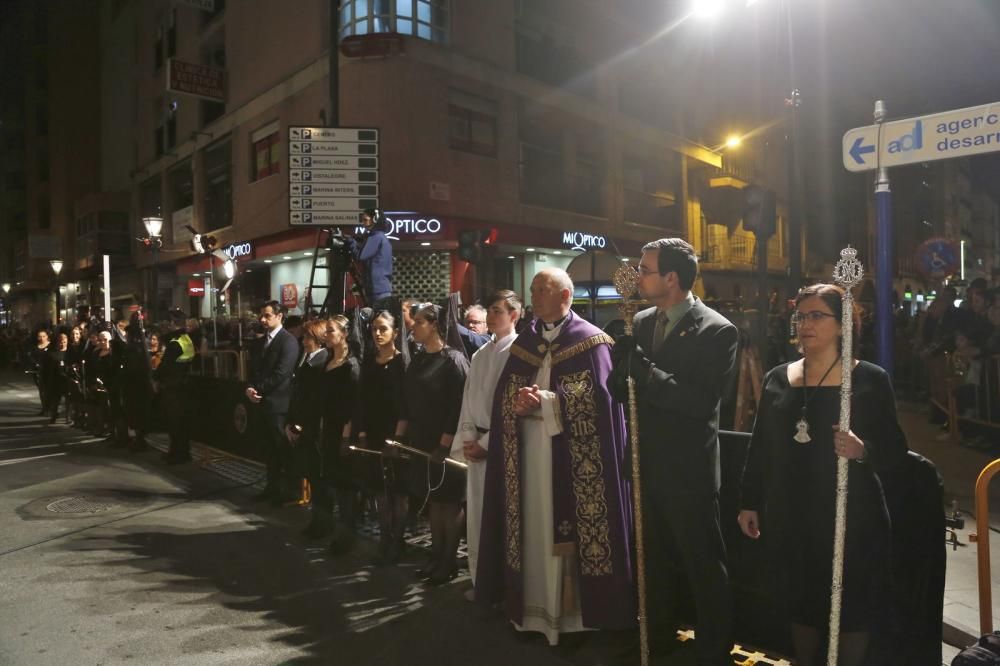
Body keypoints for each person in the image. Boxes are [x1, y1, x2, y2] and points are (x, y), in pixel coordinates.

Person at [738, 284, 907, 666]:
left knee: (852, 603)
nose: (805, 324)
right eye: (801, 316)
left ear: (843, 325)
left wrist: (863, 450)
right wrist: (749, 501)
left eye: (817, 316)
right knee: (803, 599)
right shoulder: (779, 378)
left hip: (852, 514)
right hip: (793, 514)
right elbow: (761, 445)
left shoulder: (868, 379)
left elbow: (895, 449)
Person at [477, 268, 636, 647]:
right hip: (528, 458)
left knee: (564, 532)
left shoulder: (592, 342)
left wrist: (548, 402)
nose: (536, 295)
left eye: (543, 289)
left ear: (565, 295)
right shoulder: (525, 343)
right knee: (530, 530)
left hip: (570, 461)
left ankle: (573, 621)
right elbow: (505, 397)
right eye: (533, 289)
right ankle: (530, 611)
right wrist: (516, 404)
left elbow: (602, 402)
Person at [607, 238, 738, 665]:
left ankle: (713, 648)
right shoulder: (641, 321)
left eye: (646, 270)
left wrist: (643, 371)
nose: (639, 277)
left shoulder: (717, 330)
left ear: (671, 278)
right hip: (645, 463)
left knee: (702, 564)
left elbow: (699, 401)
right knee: (652, 560)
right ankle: (657, 637)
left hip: (688, 470)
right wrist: (618, 370)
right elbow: (624, 393)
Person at [453, 290, 520, 595]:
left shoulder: (519, 352)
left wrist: (488, 443)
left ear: (514, 315)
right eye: (490, 311)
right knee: (478, 516)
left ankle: (505, 585)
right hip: (476, 441)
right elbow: (468, 400)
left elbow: (511, 406)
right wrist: (468, 439)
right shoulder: (480, 355)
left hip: (503, 444)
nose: (492, 317)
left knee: (503, 517)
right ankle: (481, 581)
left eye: (498, 311)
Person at [397, 303, 469, 584]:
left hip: (447, 444)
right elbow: (407, 401)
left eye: (418, 322)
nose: (412, 327)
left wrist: (445, 444)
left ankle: (448, 561)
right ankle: (436, 555)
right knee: (434, 503)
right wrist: (402, 436)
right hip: (422, 441)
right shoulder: (419, 359)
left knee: (449, 502)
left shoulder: (453, 360)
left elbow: (458, 406)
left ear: (435, 324)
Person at [356, 309, 409, 564]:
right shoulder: (369, 361)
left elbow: (405, 406)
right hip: (374, 432)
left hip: (397, 433)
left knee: (398, 492)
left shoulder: (402, 363)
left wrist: (398, 439)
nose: (377, 333)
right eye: (375, 329)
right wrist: (363, 432)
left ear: (395, 332)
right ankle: (385, 538)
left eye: (383, 329)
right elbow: (362, 400)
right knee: (379, 491)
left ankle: (397, 540)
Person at [246, 301, 300, 502]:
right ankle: (272, 486)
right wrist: (250, 388)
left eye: (267, 315)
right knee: (269, 449)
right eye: (262, 315)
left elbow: (281, 373)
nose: (262, 319)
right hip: (262, 403)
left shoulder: (288, 341)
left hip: (279, 405)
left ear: (279, 316)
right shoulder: (260, 342)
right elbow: (253, 370)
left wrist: (257, 389)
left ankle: (290, 491)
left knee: (283, 450)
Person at [317, 315, 362, 553]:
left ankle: (347, 535)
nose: (326, 335)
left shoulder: (351, 365)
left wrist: (346, 436)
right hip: (330, 427)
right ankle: (338, 531)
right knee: (334, 481)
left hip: (344, 430)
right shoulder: (328, 361)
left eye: (331, 331)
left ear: (344, 334)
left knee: (346, 487)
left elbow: (353, 405)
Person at [285, 319, 331, 537]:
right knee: (312, 477)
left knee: (320, 480)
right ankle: (317, 522)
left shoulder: (321, 362)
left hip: (313, 429)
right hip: (302, 426)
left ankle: (323, 524)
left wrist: (301, 426)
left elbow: (315, 401)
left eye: (307, 337)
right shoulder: (308, 360)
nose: (303, 341)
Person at [154, 312, 198, 463]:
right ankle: (182, 452)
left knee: (174, 423)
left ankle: (177, 454)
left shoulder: (175, 343)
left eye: (169, 323)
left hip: (173, 387)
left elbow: (165, 366)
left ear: (173, 323)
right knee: (181, 422)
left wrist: (155, 376)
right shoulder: (186, 339)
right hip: (184, 385)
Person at [119, 313, 154, 451]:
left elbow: (131, 369)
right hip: (139, 385)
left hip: (134, 386)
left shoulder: (133, 349)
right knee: (139, 412)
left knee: (136, 412)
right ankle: (139, 437)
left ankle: (139, 439)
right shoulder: (140, 347)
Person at [347, 208, 393, 310]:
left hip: (376, 288)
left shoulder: (376, 237)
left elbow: (360, 256)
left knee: (378, 319)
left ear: (374, 219)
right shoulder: (380, 237)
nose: (363, 222)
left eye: (365, 219)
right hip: (381, 287)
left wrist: (351, 242)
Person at [44, 331, 70, 424]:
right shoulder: (52, 353)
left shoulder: (70, 352)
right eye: (60, 341)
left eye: (64, 341)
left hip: (67, 379)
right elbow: (48, 368)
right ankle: (54, 415)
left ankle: (68, 417)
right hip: (56, 380)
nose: (62, 343)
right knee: (55, 399)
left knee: (68, 399)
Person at [29, 328, 52, 415]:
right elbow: (31, 357)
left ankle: (50, 407)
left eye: (43, 336)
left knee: (49, 390)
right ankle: (44, 408)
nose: (42, 338)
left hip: (49, 371)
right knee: (41, 390)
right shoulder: (35, 347)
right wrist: (36, 364)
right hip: (38, 371)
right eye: (40, 336)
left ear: (47, 337)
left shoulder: (51, 346)